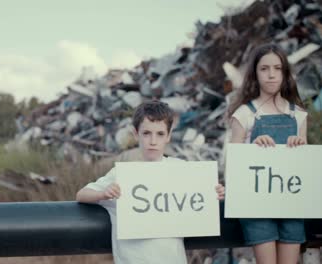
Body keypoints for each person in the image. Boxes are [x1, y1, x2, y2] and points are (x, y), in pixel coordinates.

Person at [76, 100, 225, 264]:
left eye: (160, 134)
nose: (153, 141)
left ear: (168, 135)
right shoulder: (122, 175)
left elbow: (201, 203)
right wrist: (103, 193)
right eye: (146, 133)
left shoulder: (181, 170)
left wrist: (214, 194)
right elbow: (81, 195)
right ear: (136, 134)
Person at [227, 43, 307, 264]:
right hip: (257, 205)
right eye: (264, 69)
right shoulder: (244, 114)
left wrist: (299, 145)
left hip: (291, 203)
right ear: (255, 73)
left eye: (277, 68)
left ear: (285, 73)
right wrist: (252, 149)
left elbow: (306, 168)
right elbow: (232, 164)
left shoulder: (299, 115)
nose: (271, 74)